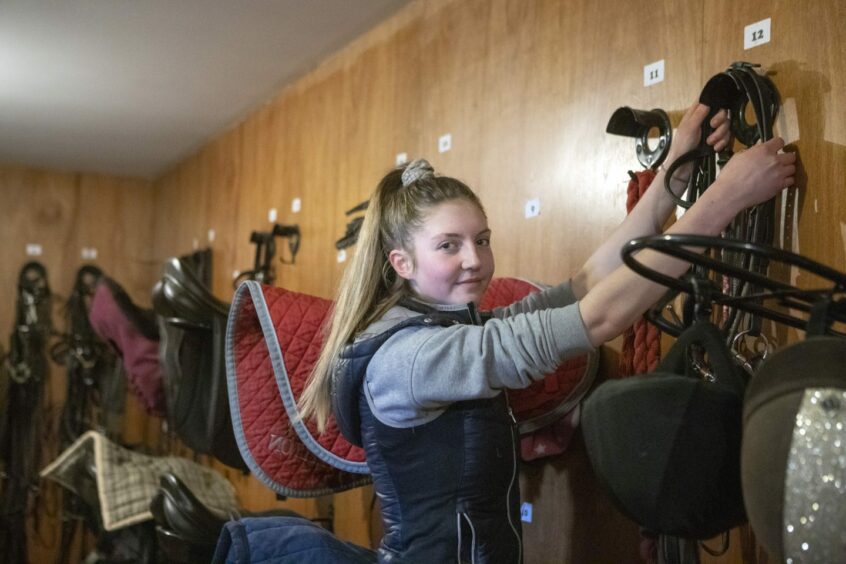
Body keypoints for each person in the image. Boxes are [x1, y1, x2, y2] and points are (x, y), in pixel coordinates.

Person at [298, 102, 796, 563]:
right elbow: (599, 318)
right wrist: (726, 197)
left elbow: (584, 287)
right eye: (449, 245)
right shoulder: (415, 357)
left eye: (482, 240)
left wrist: (672, 176)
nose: (474, 260)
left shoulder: (438, 332)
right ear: (401, 262)